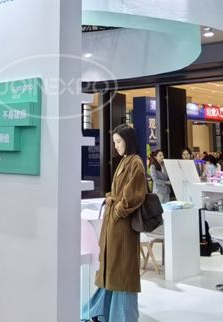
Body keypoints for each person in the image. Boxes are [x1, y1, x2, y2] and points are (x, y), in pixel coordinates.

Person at [86, 124, 147, 322]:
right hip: (114, 224)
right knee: (112, 267)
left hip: (123, 226)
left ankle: (119, 316)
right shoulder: (124, 161)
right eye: (115, 142)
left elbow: (134, 195)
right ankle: (102, 312)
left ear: (128, 141)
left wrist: (118, 211)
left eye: (119, 142)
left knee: (122, 270)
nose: (116, 146)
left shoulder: (135, 162)